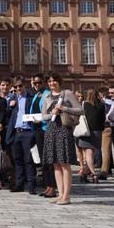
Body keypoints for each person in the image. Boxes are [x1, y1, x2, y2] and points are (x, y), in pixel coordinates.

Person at [41, 72, 83, 205]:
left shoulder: (67, 94)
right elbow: (43, 116)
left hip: (64, 130)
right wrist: (51, 113)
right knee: (55, 164)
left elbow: (80, 110)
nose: (52, 83)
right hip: (51, 130)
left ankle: (66, 195)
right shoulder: (47, 96)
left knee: (64, 163)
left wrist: (64, 108)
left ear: (59, 81)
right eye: (49, 81)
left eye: (54, 81)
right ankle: (60, 194)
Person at [6, 77, 36, 194]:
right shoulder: (13, 99)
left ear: (24, 86)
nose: (18, 88)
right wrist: (10, 106)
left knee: (28, 160)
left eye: (20, 86)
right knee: (17, 160)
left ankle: (31, 185)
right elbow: (7, 114)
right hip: (16, 133)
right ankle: (19, 184)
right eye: (16, 87)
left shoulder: (30, 98)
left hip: (28, 131)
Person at [30, 73, 55, 198]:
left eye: (39, 82)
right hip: (37, 130)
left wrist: (42, 120)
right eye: (35, 83)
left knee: (48, 160)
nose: (37, 85)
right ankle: (47, 186)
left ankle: (52, 187)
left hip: (46, 129)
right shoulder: (37, 95)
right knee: (42, 159)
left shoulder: (47, 94)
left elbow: (52, 113)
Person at [76, 88, 105, 184]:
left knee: (88, 155)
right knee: (91, 154)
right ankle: (84, 174)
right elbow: (103, 119)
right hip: (97, 132)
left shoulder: (84, 104)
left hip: (85, 131)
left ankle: (94, 174)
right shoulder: (101, 105)